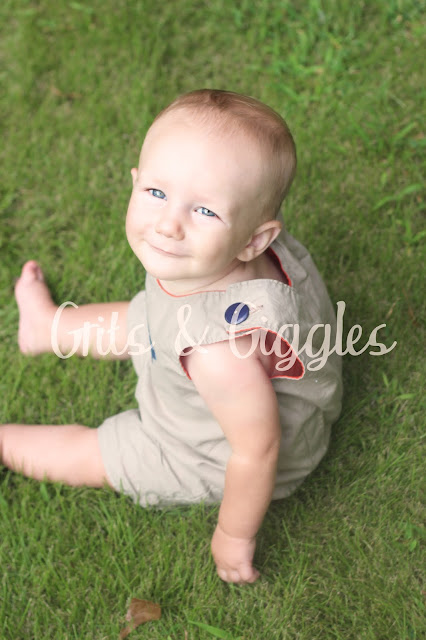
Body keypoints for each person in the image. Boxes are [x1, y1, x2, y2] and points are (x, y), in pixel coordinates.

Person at [2, 89, 342, 584]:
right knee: (144, 320)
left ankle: (6, 443)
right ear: (135, 182)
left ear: (255, 239)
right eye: (156, 193)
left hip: (210, 449)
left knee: (100, 453)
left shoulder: (219, 353)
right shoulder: (206, 260)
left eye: (205, 212)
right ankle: (46, 328)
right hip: (201, 343)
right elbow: (161, 313)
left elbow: (257, 450)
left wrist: (234, 534)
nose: (168, 225)